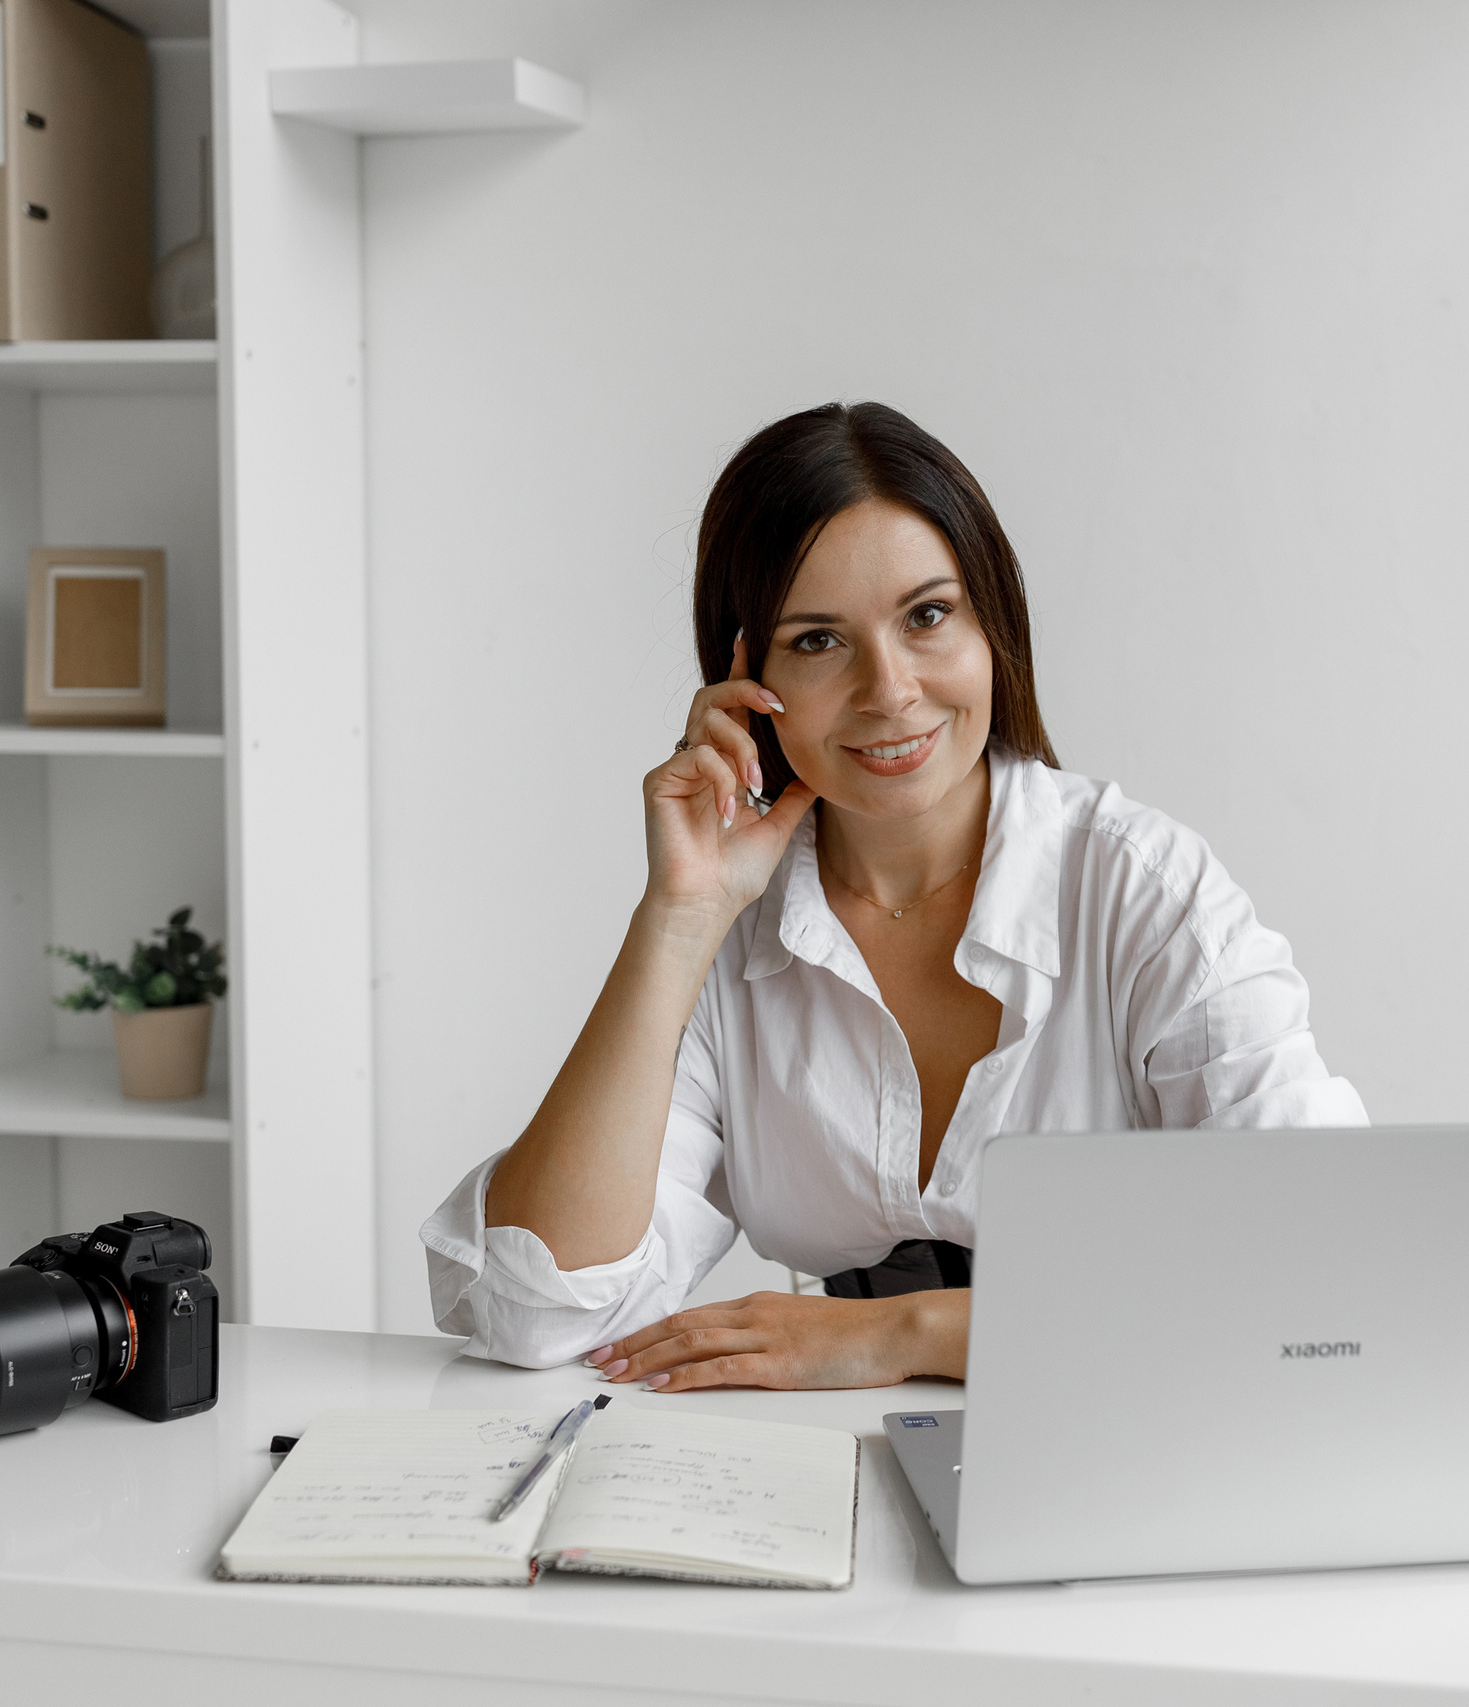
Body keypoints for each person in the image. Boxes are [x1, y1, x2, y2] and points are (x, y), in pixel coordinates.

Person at [422, 402, 1366, 1391]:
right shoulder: (735, 932)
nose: (890, 690)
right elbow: (532, 1312)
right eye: (819, 640)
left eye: (926, 617)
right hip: (855, 1455)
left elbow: (1320, 1268)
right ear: (744, 676)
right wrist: (678, 920)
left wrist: (903, 1333)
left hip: (1135, 1434)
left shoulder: (1144, 891)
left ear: (991, 622)